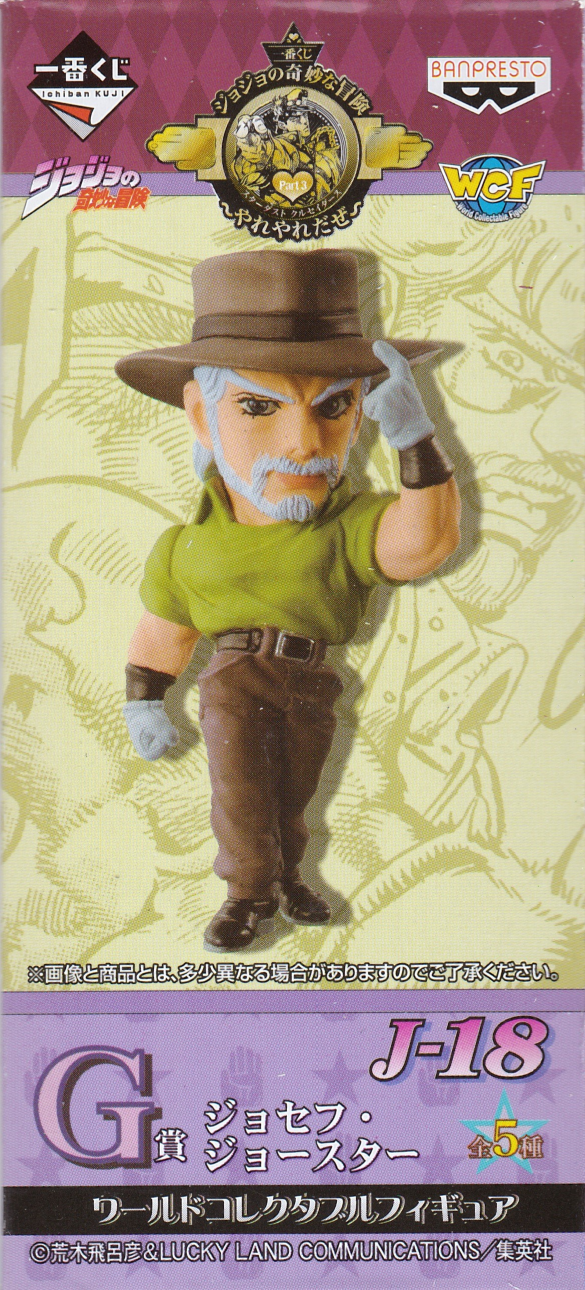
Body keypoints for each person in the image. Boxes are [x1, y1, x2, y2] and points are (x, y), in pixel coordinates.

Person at [116, 249, 460, 951]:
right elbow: (163, 633)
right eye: (257, 406)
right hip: (235, 678)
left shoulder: (347, 523)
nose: (303, 443)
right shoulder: (186, 545)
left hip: (311, 677)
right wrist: (144, 700)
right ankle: (246, 893)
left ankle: (289, 874)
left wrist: (416, 441)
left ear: (359, 414)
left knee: (293, 791)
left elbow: (421, 544)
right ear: (201, 415)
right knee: (242, 791)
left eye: (333, 407)